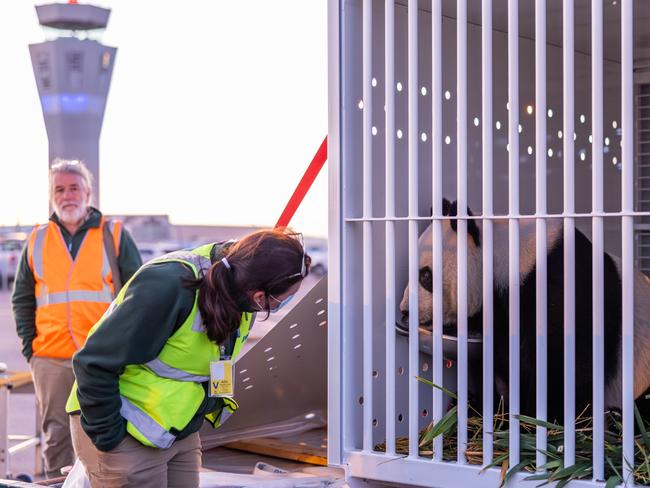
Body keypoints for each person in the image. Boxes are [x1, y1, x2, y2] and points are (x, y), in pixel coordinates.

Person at [65, 228, 310, 487]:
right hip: (126, 431)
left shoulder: (240, 292)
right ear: (259, 296)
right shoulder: (168, 286)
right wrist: (110, 439)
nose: (282, 304)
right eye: (282, 299)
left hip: (178, 431)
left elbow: (218, 361)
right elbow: (93, 363)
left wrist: (202, 414)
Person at [11, 159, 142, 478]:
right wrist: (32, 350)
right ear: (51, 195)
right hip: (50, 358)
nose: (67, 195)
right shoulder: (37, 238)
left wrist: (126, 349)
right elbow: (22, 298)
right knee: (56, 436)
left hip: (102, 357)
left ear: (88, 192)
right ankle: (57, 483)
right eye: (59, 189)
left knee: (106, 433)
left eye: (73, 188)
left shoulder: (113, 234)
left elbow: (139, 296)